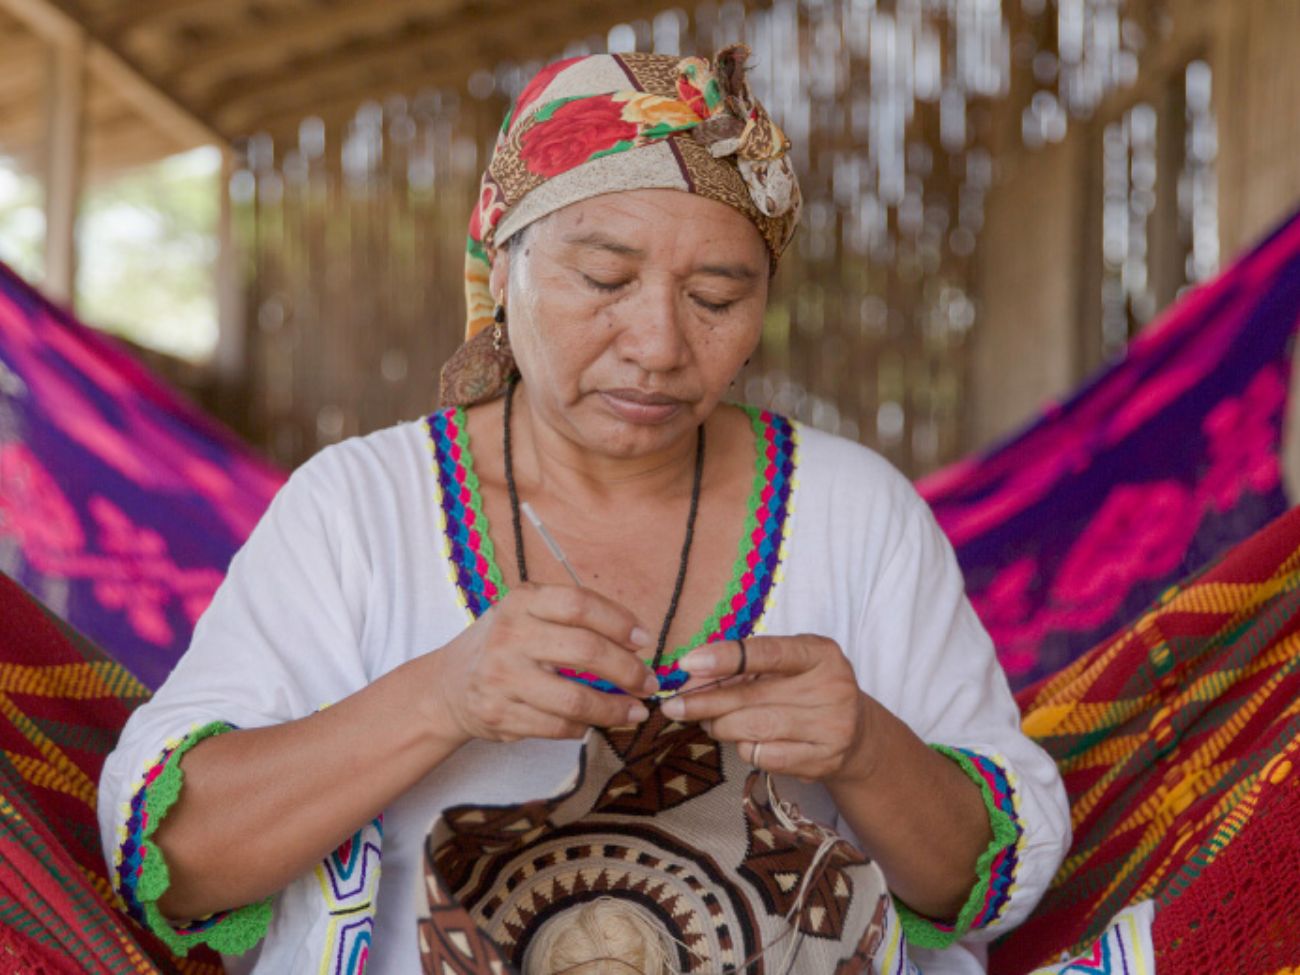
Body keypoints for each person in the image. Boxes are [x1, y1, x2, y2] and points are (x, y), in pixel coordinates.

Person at [99, 45, 1069, 975]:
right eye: (602, 280)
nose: (655, 343)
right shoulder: (360, 508)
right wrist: (439, 698)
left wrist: (862, 745)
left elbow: (981, 889)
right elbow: (176, 867)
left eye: (716, 297)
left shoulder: (857, 514)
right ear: (500, 263)